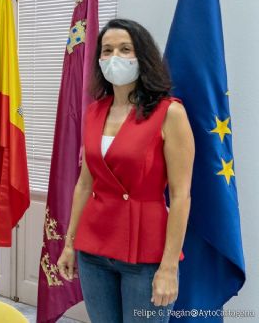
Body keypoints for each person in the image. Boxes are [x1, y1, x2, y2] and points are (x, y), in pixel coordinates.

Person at [56, 19, 195, 322]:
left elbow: (181, 195)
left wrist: (169, 267)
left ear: (142, 56)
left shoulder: (169, 113)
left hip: (145, 253)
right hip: (93, 249)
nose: (114, 57)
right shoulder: (94, 111)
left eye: (124, 49)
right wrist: (69, 244)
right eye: (107, 50)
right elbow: (84, 185)